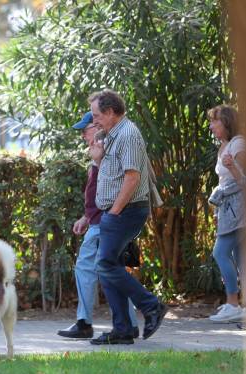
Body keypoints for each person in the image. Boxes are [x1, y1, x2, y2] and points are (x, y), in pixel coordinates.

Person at [88, 89, 167, 345]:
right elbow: (115, 175)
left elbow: (132, 178)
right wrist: (98, 160)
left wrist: (113, 212)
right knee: (109, 267)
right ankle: (122, 329)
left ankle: (151, 306)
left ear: (111, 112)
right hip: (118, 211)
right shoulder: (113, 134)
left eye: (97, 115)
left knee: (106, 265)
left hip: (125, 211)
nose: (94, 120)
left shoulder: (128, 135)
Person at [57, 112, 139, 339]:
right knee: (113, 271)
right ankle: (128, 324)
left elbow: (117, 186)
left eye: (86, 129)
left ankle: (84, 322)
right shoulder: (101, 153)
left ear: (98, 125)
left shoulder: (108, 150)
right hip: (102, 221)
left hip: (105, 223)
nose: (84, 135)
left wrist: (104, 218)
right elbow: (98, 192)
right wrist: (86, 216)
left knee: (87, 269)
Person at [206, 104, 246, 323]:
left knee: (220, 253)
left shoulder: (239, 143)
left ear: (227, 123)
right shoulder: (224, 145)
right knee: (240, 257)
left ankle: (233, 303)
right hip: (228, 207)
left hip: (239, 208)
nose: (211, 125)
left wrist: (232, 167)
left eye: (215, 121)